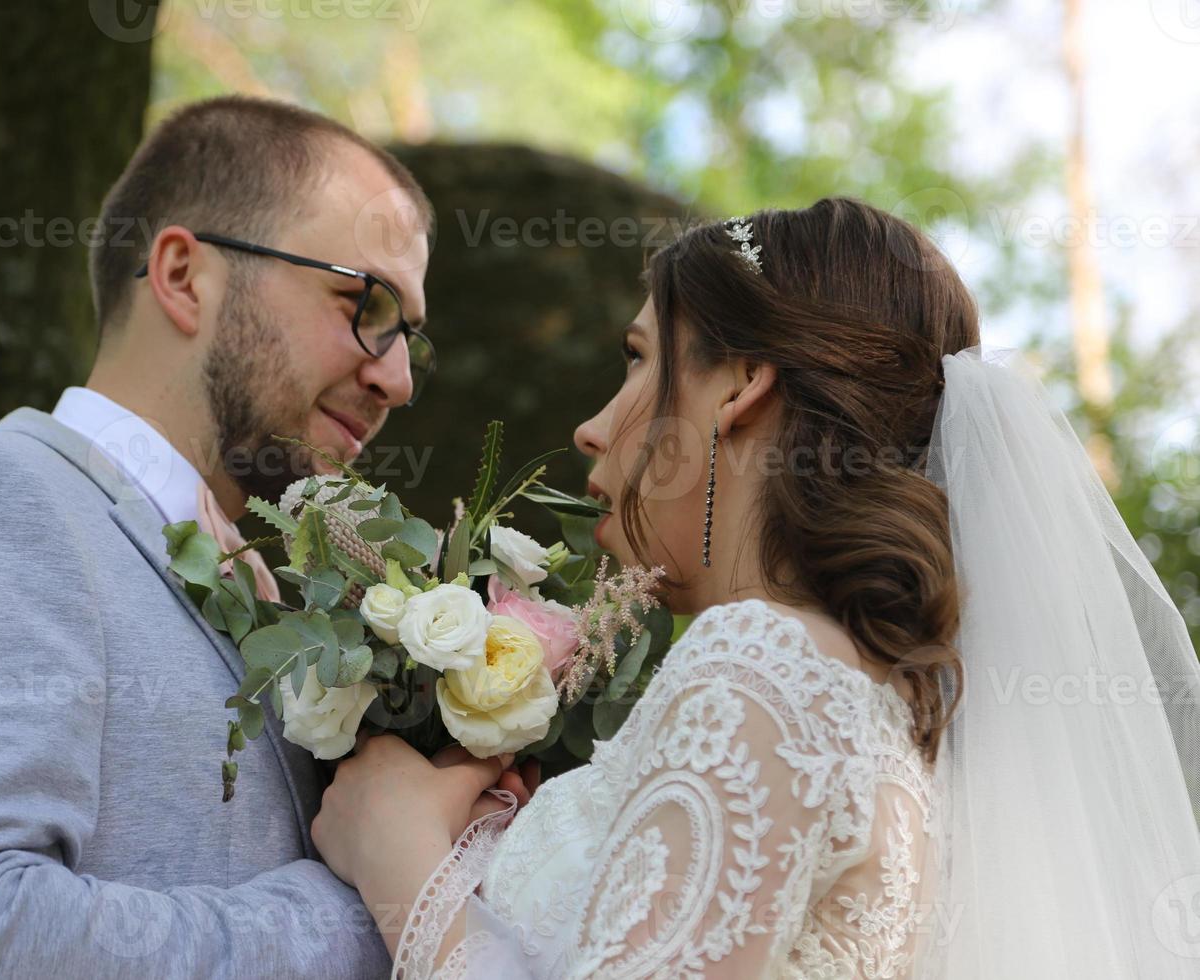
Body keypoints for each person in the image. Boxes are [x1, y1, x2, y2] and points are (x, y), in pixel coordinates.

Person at [312, 198, 1200, 978]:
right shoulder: (887, 706)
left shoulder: (761, 664)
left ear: (741, 384)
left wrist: (402, 860)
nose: (590, 430)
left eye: (637, 360)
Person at [0, 94, 438, 977]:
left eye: (409, 336)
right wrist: (386, 903)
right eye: (363, 303)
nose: (397, 378)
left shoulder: (296, 606)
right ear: (181, 275)